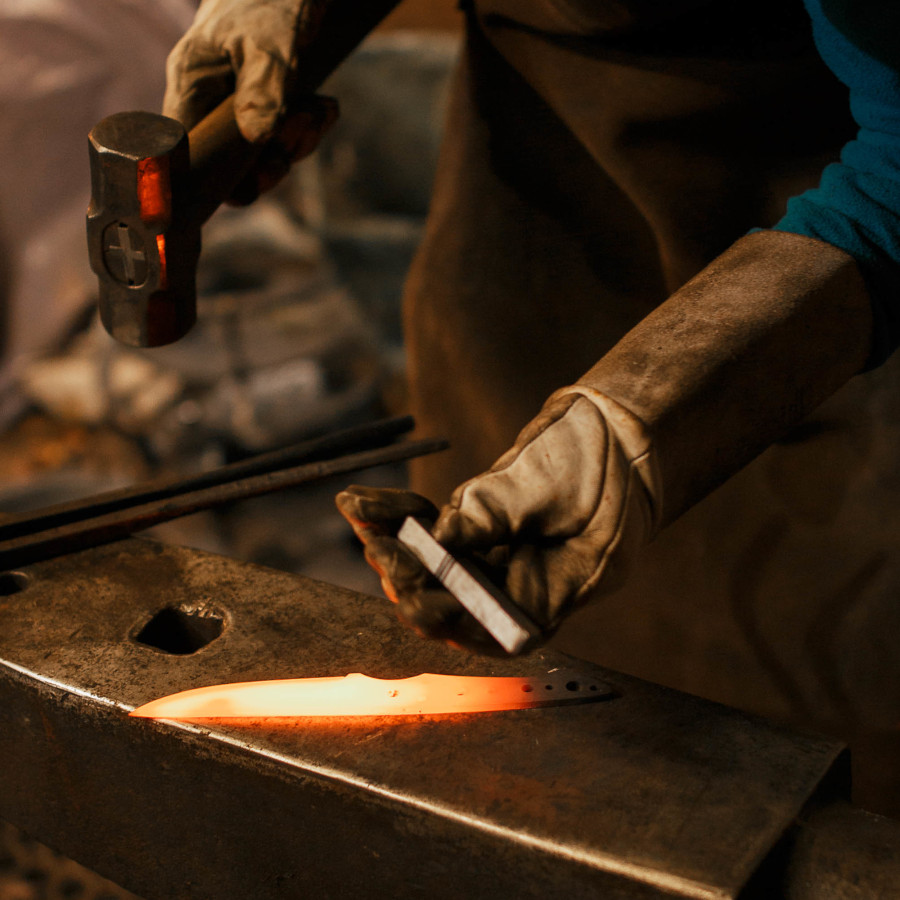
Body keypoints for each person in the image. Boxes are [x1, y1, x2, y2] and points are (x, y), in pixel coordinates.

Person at [166, 0, 900, 809]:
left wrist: (644, 425)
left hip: (801, 327)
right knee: (525, 677)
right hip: (523, 227)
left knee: (788, 736)